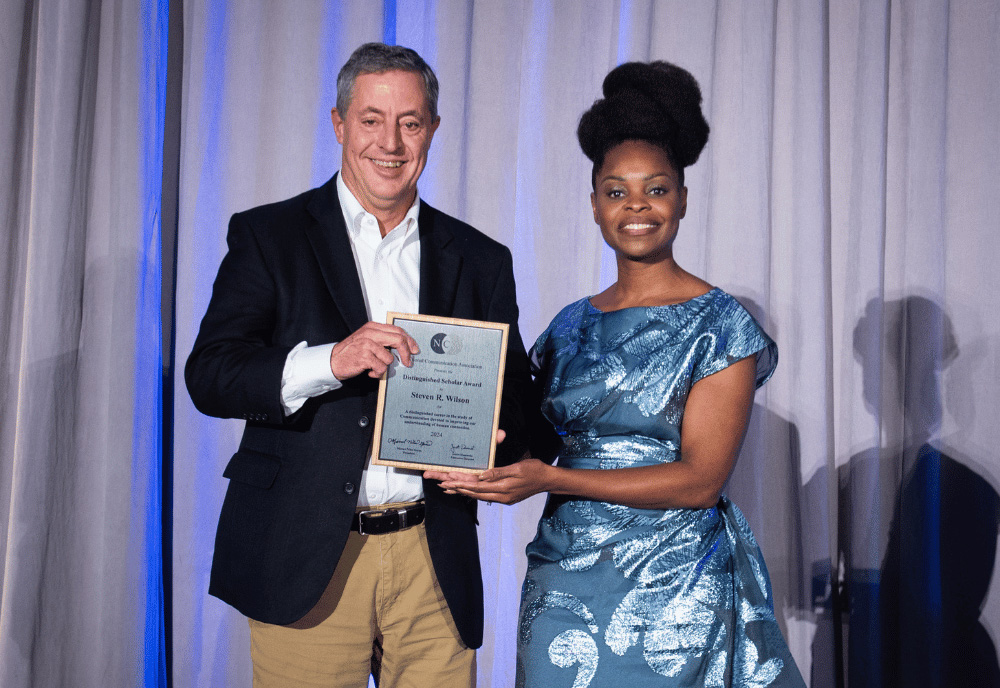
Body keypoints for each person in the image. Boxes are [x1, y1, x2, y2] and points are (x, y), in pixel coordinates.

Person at [429, 61, 806, 686]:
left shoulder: (719, 324)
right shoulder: (570, 324)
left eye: (656, 189)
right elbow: (524, 433)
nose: (636, 206)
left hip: (674, 588)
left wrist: (548, 477)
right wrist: (454, 426)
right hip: (562, 579)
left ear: (682, 200)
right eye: (616, 191)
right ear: (596, 205)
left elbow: (699, 482)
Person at [185, 42, 537, 687]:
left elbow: (514, 394)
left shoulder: (481, 257)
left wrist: (494, 436)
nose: (392, 143)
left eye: (410, 122)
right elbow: (210, 375)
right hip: (306, 557)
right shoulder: (269, 236)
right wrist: (331, 360)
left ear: (432, 129)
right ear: (339, 124)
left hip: (433, 557)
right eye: (372, 120)